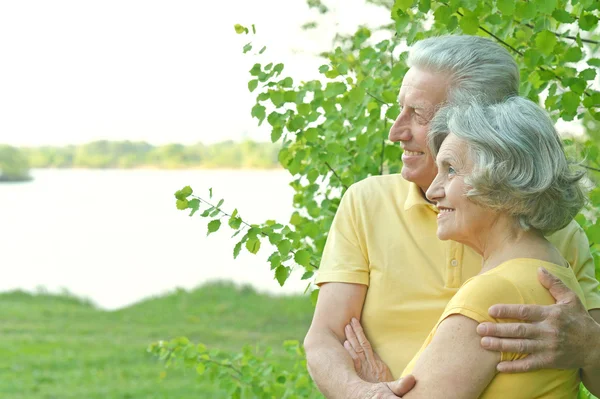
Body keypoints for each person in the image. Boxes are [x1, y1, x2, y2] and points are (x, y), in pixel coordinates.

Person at [303, 35, 600, 399]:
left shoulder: (554, 234)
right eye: (400, 109)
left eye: (419, 114)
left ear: (483, 125)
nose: (396, 131)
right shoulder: (366, 202)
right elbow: (324, 338)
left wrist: (592, 346)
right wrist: (365, 392)